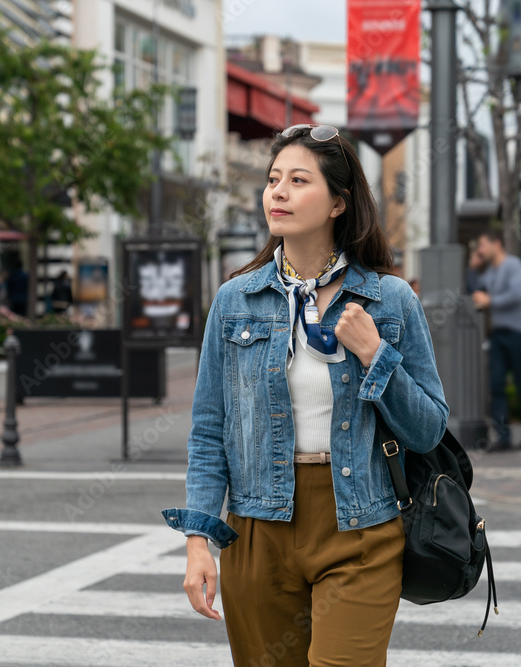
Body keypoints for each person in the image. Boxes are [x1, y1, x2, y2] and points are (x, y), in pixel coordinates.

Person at [160, 124, 448, 666]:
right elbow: (208, 431)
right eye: (273, 180)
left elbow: (429, 428)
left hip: (359, 525)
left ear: (339, 202)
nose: (279, 192)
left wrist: (374, 354)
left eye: (298, 180)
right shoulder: (235, 300)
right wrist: (199, 541)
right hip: (257, 530)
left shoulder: (388, 299)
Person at [472, 229, 521, 451]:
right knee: (496, 384)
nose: (480, 250)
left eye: (483, 245)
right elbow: (475, 292)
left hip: (518, 333)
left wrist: (490, 300)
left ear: (497, 244)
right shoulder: (490, 271)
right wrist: (473, 268)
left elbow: (518, 294)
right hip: (499, 335)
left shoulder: (513, 266)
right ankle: (503, 437)